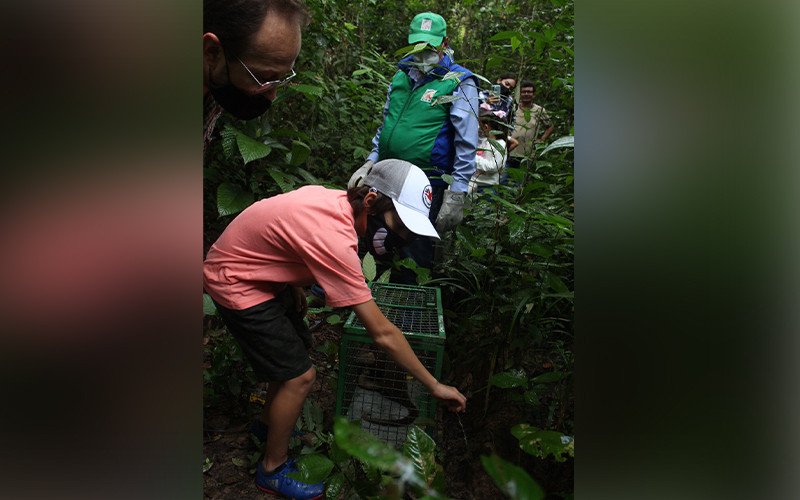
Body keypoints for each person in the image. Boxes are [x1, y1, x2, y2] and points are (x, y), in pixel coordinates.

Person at [204, 159, 467, 500]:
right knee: (300, 377)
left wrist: (291, 281)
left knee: (294, 354)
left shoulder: (333, 203)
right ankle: (271, 468)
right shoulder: (337, 238)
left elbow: (283, 235)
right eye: (399, 225)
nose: (401, 237)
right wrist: (433, 385)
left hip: (254, 270)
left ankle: (267, 427)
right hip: (235, 280)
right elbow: (383, 334)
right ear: (370, 202)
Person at [348, 12, 479, 283]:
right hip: (384, 178)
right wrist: (370, 160)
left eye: (430, 45)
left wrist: (457, 192)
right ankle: (370, 306)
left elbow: (466, 141)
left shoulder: (457, 81)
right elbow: (387, 123)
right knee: (376, 245)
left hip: (424, 182)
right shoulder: (401, 75)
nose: (423, 51)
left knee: (413, 254)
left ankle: (409, 314)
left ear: (445, 42)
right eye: (418, 44)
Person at [203, 0, 310, 155]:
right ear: (212, 52)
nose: (272, 96)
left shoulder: (218, 79)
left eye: (283, 77)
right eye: (263, 78)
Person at [507, 81, 554, 173]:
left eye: (529, 92)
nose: (526, 94)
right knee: (504, 179)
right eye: (523, 92)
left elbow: (550, 126)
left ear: (534, 95)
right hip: (511, 151)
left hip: (527, 154)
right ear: (520, 95)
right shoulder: (513, 108)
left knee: (520, 184)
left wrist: (542, 139)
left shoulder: (539, 110)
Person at [469, 109, 509, 196]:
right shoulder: (485, 142)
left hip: (487, 187)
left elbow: (492, 166)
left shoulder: (500, 145)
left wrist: (472, 157)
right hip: (476, 184)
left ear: (486, 127)